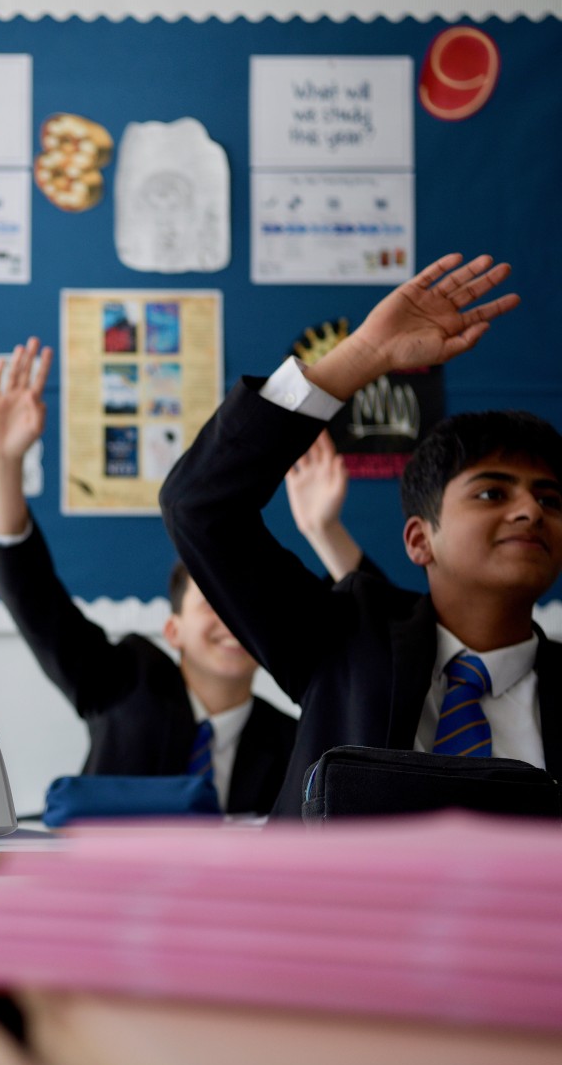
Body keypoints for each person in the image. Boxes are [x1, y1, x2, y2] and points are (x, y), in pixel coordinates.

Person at [160, 253, 557, 816]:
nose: (530, 512)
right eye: (493, 493)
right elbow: (198, 505)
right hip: (331, 906)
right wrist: (362, 357)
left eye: (551, 499)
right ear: (419, 540)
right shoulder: (344, 640)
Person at [0, 339, 362, 815]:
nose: (232, 621)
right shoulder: (123, 682)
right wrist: (4, 463)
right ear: (172, 630)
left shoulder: (293, 740)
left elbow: (368, 635)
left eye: (241, 605)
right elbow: (34, 597)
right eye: (213, 605)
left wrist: (324, 531)